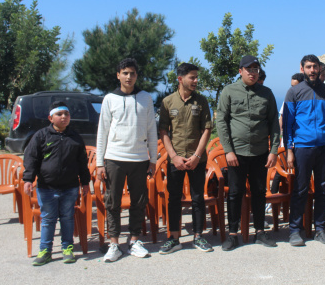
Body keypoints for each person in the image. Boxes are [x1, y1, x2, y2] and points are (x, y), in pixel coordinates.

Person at [95, 58, 158, 262]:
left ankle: (134, 241)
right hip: (114, 158)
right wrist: (99, 163)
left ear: (136, 76)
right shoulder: (109, 99)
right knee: (112, 202)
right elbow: (102, 132)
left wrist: (153, 159)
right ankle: (114, 244)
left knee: (138, 201)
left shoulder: (146, 98)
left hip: (139, 158)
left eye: (132, 73)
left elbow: (152, 129)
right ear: (118, 75)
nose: (128, 77)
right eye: (125, 73)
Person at [216, 55, 280, 251]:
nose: (253, 73)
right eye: (249, 69)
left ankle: (260, 232)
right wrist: (228, 151)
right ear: (240, 71)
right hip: (236, 153)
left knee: (259, 192)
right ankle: (233, 234)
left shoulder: (266, 93)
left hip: (260, 153)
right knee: (235, 193)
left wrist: (274, 151)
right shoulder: (229, 91)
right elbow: (221, 122)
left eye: (255, 69)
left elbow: (274, 123)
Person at [22, 101, 91, 266]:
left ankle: (67, 248)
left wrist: (85, 182)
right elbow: (31, 158)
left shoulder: (75, 137)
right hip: (47, 187)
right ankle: (45, 251)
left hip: (70, 187)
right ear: (50, 118)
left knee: (67, 218)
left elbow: (82, 162)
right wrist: (28, 179)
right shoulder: (41, 136)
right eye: (59, 114)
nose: (63, 117)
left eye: (66, 114)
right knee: (48, 219)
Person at [283, 54, 325, 247]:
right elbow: (288, 124)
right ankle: (294, 231)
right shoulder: (294, 92)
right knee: (300, 189)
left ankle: (320, 229)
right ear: (302, 69)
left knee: (322, 189)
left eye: (315, 67)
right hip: (302, 147)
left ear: (320, 69)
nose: (312, 70)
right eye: (308, 67)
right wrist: (289, 150)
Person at [158, 63, 213, 254]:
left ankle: (198, 236)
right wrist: (173, 156)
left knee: (198, 198)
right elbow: (163, 131)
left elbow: (207, 129)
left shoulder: (202, 101)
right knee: (174, 198)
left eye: (197, 77)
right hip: (176, 160)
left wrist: (197, 155)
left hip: (197, 159)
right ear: (180, 79)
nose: (196, 80)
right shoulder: (168, 102)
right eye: (192, 77)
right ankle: (174, 238)